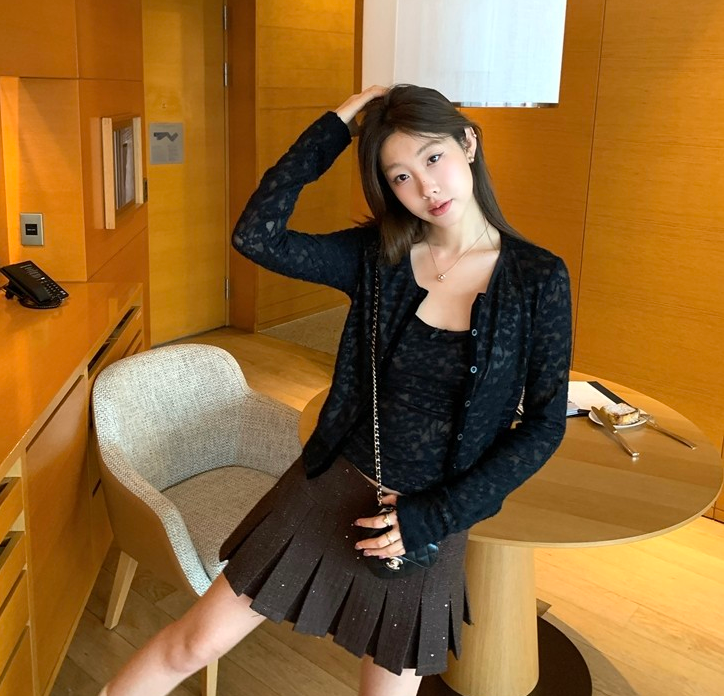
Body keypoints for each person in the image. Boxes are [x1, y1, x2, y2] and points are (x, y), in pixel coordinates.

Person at [99, 84, 572, 696]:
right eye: (400, 176)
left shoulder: (538, 279)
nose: (426, 187)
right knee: (194, 642)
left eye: (433, 157)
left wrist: (436, 516)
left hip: (425, 523)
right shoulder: (378, 257)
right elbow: (257, 236)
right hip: (331, 486)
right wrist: (333, 129)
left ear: (469, 143)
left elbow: (543, 425)